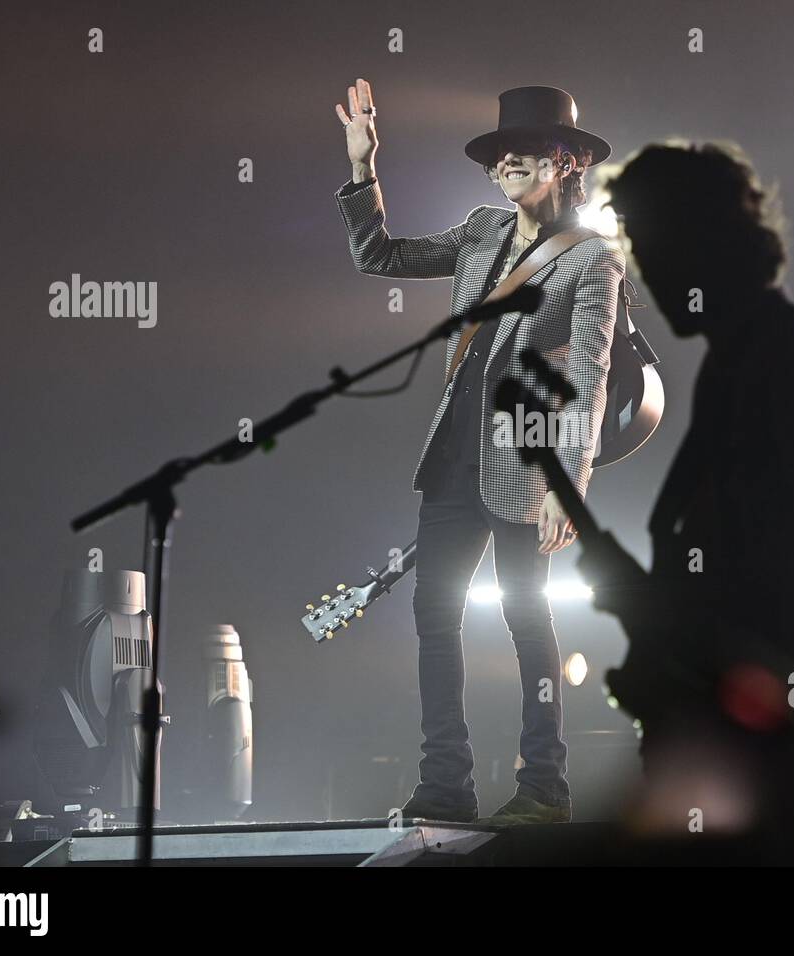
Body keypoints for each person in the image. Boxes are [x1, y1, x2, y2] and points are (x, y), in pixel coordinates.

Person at [580, 141, 794, 862]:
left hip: (787, 717)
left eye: (658, 242)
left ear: (713, 238)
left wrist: (664, 616)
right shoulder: (739, 365)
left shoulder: (792, 358)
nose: (647, 270)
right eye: (636, 245)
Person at [333, 80, 621, 824]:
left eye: (520, 154)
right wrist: (364, 170)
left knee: (528, 620)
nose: (504, 167)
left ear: (563, 161)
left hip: (526, 460)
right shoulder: (479, 230)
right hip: (452, 452)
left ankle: (544, 786)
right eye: (496, 158)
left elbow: (590, 378)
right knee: (436, 617)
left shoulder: (591, 260)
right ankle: (445, 783)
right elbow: (378, 256)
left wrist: (571, 484)